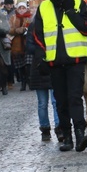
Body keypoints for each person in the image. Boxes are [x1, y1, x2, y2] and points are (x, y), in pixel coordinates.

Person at [33, 0, 87, 152]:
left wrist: (69, 11)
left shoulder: (77, 3)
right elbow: (38, 35)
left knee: (75, 98)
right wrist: (41, 58)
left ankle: (80, 135)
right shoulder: (44, 7)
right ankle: (67, 137)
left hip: (75, 61)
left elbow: (86, 28)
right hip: (54, 62)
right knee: (61, 101)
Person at [26, 10, 61, 142]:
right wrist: (42, 50)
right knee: (42, 103)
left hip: (52, 65)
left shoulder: (54, 24)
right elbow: (29, 46)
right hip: (39, 67)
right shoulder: (33, 27)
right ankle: (45, 129)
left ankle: (59, 128)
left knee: (55, 101)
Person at [9, 2, 32, 91]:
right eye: (20, 8)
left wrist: (27, 29)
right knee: (20, 66)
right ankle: (23, 82)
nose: (22, 10)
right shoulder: (13, 18)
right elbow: (9, 29)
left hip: (28, 44)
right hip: (17, 45)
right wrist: (18, 30)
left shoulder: (29, 18)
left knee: (28, 65)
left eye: (23, 8)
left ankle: (29, 81)